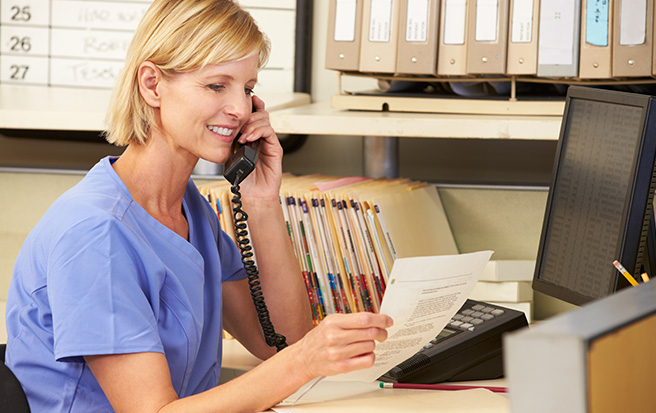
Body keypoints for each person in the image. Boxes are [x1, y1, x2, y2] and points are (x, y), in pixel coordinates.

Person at [4, 0, 393, 411]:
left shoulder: (190, 209)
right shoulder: (94, 232)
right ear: (152, 85)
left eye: (248, 89)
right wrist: (303, 360)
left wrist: (261, 202)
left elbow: (278, 340)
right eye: (216, 85)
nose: (241, 109)